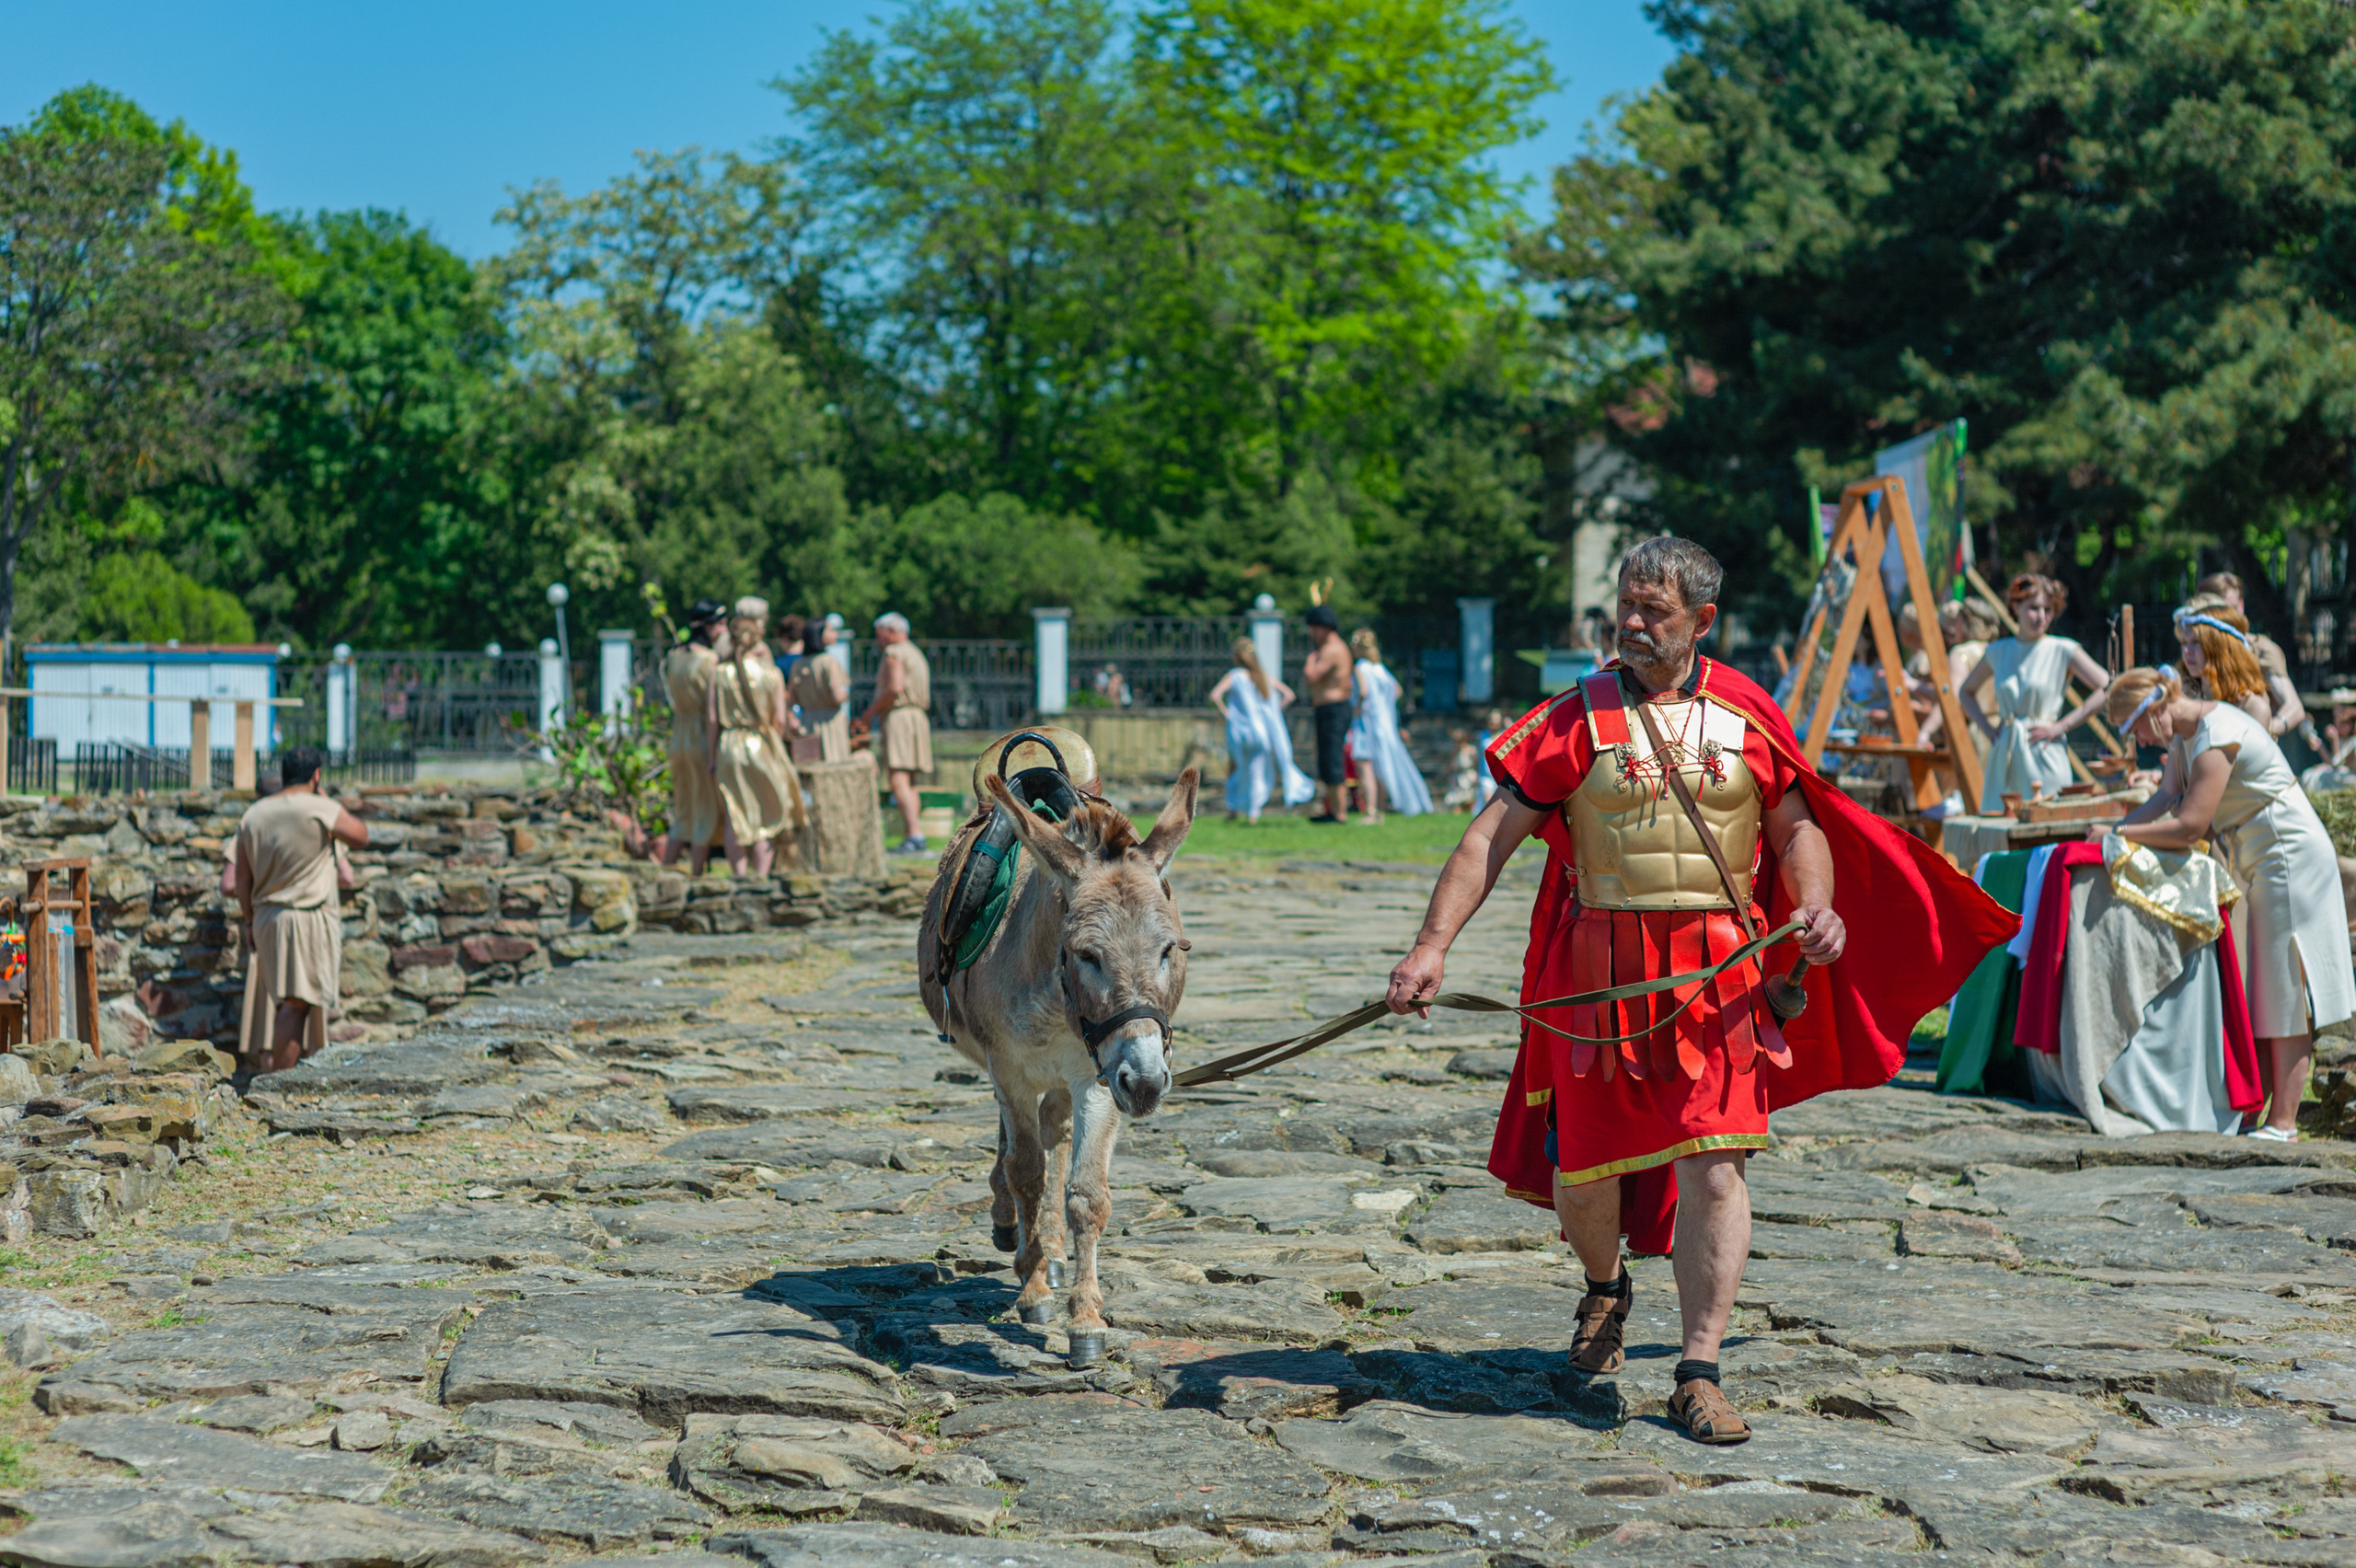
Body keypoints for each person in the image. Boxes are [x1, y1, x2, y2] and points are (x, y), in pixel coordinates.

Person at [1382, 536, 2010, 1445]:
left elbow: (1799, 833)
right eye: (1624, 609)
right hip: (1597, 971)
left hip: (1720, 976)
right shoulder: (1572, 717)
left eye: (1654, 612)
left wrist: (1819, 909)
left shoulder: (1749, 713)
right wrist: (1430, 947)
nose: (1632, 625)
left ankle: (1698, 1369)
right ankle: (1604, 1290)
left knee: (1716, 1166)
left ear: (1702, 622)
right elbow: (1490, 838)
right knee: (1582, 1174)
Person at [2107, 666, 2356, 1140]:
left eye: (2133, 728)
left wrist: (2118, 835)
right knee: (2266, 986)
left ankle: (2283, 1123)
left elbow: (2189, 826)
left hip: (2288, 856)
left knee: (2284, 988)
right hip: (2262, 858)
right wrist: (2111, 833)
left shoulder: (2216, 734)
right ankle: (2258, 1109)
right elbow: (2165, 798)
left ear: (2154, 710)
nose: (2137, 741)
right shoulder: (2187, 735)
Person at [235, 745, 369, 1087]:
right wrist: (323, 797)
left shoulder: (254, 814)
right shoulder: (321, 807)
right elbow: (361, 836)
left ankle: (283, 1084)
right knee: (296, 1005)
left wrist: (249, 921)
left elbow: (242, 880)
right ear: (317, 774)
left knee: (292, 1003)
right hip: (306, 917)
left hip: (267, 918)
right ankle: (279, 1088)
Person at [1958, 573, 2110, 812]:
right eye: (2034, 608)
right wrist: (1987, 728)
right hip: (2004, 755)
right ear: (2016, 607)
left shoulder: (2062, 649)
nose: (2041, 616)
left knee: (2048, 826)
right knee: (2000, 829)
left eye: (2048, 610)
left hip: (2044, 751)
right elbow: (1965, 692)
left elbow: (2108, 686)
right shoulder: (1998, 651)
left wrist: (2063, 726)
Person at [707, 597, 808, 877]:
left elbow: (713, 719)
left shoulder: (719, 673)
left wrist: (711, 756)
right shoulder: (772, 672)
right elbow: (779, 720)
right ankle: (761, 877)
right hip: (761, 744)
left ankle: (738, 876)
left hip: (729, 745)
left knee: (733, 814)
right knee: (767, 810)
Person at [1209, 638, 1314, 823]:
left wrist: (1228, 715)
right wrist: (1273, 715)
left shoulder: (1234, 675)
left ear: (1236, 657)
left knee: (1236, 768)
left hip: (1240, 732)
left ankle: (1233, 809)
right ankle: (1253, 813)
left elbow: (1215, 696)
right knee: (1256, 770)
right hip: (1260, 733)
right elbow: (1289, 695)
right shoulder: (1262, 677)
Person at [659, 598, 729, 874]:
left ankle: (666, 870)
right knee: (704, 810)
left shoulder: (674, 656)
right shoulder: (710, 660)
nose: (724, 630)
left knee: (683, 809)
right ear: (709, 626)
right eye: (720, 624)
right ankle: (695, 877)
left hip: (679, 736)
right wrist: (713, 754)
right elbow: (711, 713)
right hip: (700, 736)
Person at [856, 611, 933, 854]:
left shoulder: (894, 653)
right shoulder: (915, 652)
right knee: (910, 781)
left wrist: (869, 712)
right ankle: (916, 834)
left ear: (890, 631)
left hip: (900, 717)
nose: (878, 640)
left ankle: (913, 835)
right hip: (917, 717)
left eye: (879, 634)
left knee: (898, 778)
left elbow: (894, 688)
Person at [2196, 571, 2307, 739]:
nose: (2226, 617)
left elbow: (2294, 707)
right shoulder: (2194, 651)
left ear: (2241, 605)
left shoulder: (2260, 649)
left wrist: (2265, 729)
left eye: (2231, 608)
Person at [1346, 628, 1432, 823]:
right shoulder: (1380, 668)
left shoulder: (1360, 667)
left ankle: (1370, 811)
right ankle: (1380, 810)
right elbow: (1397, 690)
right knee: (1381, 766)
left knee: (1365, 766)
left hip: (1367, 723)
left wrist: (1358, 708)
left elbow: (1363, 692)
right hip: (1384, 723)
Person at [2174, 597, 2272, 727]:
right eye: (2184, 643)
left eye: (2196, 642)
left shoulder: (2252, 707)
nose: (2186, 651)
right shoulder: (2182, 701)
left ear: (2222, 647)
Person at [1303, 604, 1354, 823]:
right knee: (1326, 759)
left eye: (1313, 628)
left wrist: (1309, 660)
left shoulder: (1331, 650)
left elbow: (1311, 677)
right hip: (1327, 709)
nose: (1311, 633)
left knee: (1332, 758)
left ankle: (1339, 812)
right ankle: (1332, 809)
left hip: (1334, 709)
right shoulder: (1329, 649)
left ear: (1324, 627)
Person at [784, 613, 851, 761]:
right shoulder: (829, 662)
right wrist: (846, 695)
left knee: (811, 768)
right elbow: (837, 696)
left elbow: (790, 697)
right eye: (830, 630)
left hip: (807, 723)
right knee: (833, 766)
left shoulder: (798, 664)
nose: (835, 634)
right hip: (830, 723)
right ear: (819, 634)